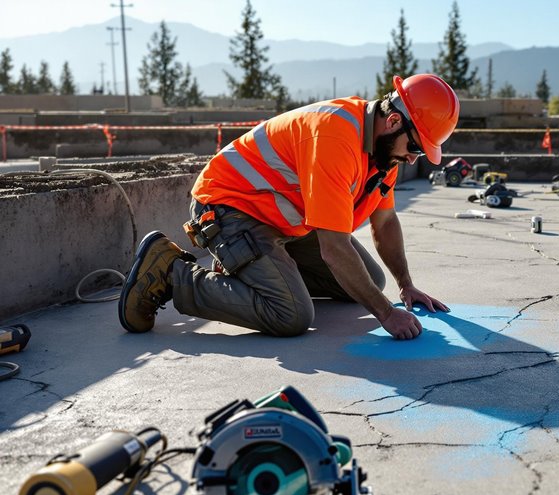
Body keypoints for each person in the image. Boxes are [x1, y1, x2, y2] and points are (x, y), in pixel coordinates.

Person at [118, 74, 459, 340]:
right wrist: (386, 315)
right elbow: (334, 248)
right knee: (291, 314)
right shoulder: (336, 137)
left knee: (369, 281)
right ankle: (169, 273)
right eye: (415, 147)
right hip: (229, 207)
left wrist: (406, 285)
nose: (413, 157)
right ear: (395, 121)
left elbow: (384, 222)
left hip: (279, 222)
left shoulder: (382, 155)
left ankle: (256, 272)